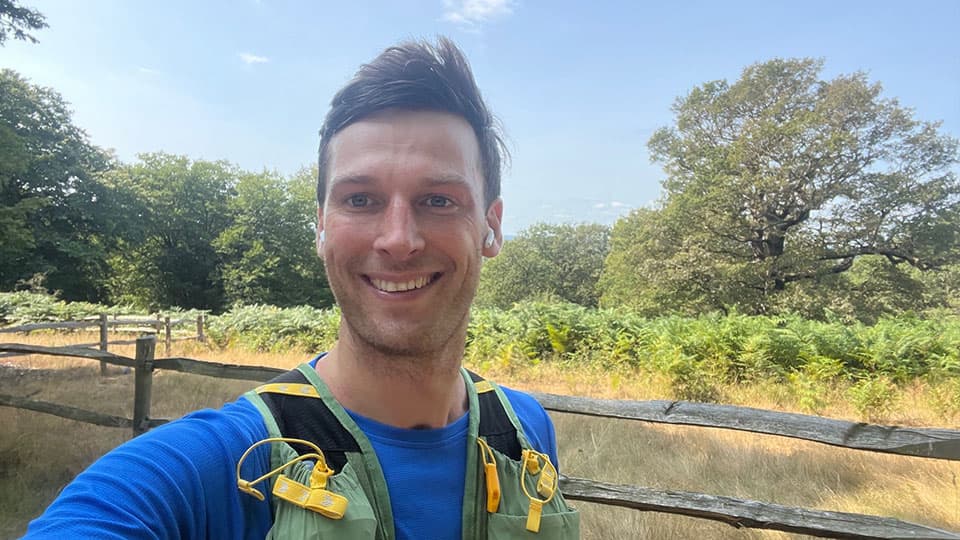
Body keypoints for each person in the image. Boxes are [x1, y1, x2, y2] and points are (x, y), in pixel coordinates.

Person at [23, 37, 579, 539]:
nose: (398, 239)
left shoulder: (525, 433)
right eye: (360, 199)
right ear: (320, 226)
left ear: (492, 226)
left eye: (439, 199)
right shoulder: (220, 468)